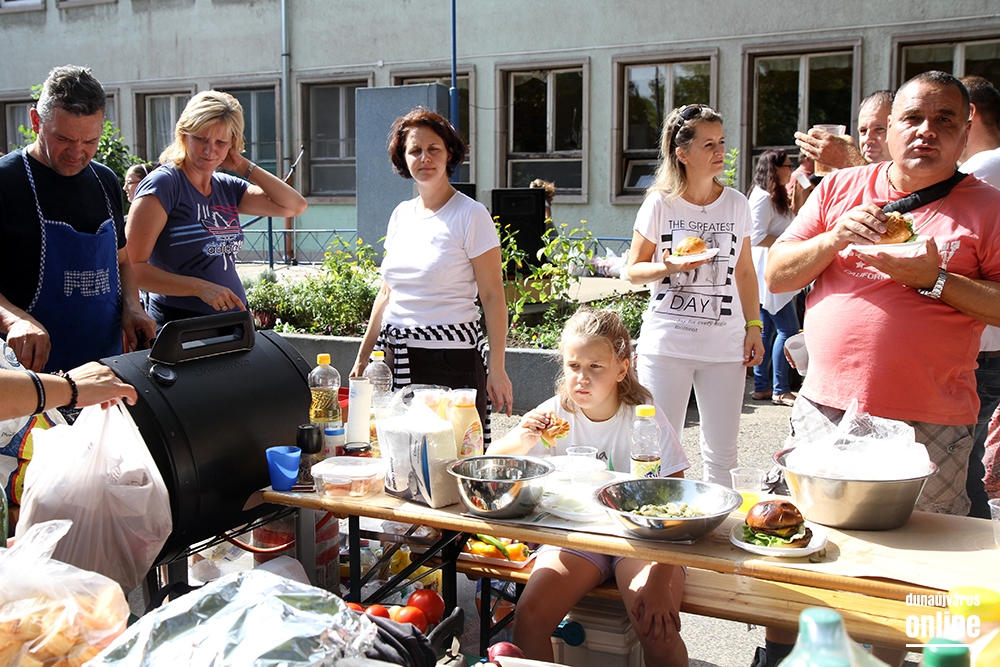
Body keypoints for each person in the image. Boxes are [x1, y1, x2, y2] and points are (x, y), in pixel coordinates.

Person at [764, 71, 1000, 667]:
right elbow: (777, 273)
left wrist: (934, 280)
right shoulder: (841, 188)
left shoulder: (989, 207)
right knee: (807, 550)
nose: (927, 131)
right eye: (913, 118)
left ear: (966, 131)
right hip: (826, 409)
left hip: (932, 420)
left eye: (945, 120)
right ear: (888, 128)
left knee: (911, 569)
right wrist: (833, 239)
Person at [488, 308, 689, 666]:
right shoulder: (554, 414)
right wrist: (522, 438)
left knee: (657, 628)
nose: (582, 378)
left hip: (642, 541)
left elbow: (677, 502)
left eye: (595, 366)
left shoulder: (644, 416)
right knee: (530, 617)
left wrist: (660, 578)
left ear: (622, 369)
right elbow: (492, 464)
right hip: (577, 536)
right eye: (573, 366)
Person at [351, 108, 513, 441]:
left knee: (452, 457)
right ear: (403, 158)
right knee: (398, 457)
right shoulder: (401, 215)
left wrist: (497, 368)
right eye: (415, 150)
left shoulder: (471, 214)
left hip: (451, 359)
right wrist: (362, 358)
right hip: (395, 357)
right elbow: (387, 293)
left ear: (449, 153)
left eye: (433, 148)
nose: (424, 158)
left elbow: (493, 296)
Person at [625, 104, 764, 486]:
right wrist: (668, 267)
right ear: (682, 153)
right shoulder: (660, 202)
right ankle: (656, 516)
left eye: (721, 142)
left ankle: (717, 522)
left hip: (724, 346)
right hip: (667, 345)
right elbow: (633, 270)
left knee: (722, 455)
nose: (720, 151)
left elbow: (745, 271)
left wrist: (754, 326)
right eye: (708, 144)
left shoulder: (736, 203)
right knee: (657, 452)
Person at [0, 65, 156, 374]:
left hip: (105, 369)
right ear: (36, 121)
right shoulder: (6, 182)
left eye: (90, 141)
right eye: (64, 138)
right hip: (31, 378)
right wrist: (14, 320)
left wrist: (132, 306)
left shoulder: (105, 180)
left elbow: (122, 261)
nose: (77, 152)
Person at [125, 91, 307, 327]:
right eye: (201, 139)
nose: (209, 150)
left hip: (234, 322)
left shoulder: (226, 186)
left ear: (233, 144)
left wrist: (242, 165)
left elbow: (294, 205)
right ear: (184, 135)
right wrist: (198, 288)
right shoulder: (164, 184)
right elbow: (131, 268)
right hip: (181, 324)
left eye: (220, 143)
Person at [958, 75, 1000, 519]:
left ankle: (976, 551)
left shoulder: (983, 170)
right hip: (988, 345)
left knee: (964, 469)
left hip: (982, 346)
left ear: (968, 116)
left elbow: (916, 217)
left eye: (943, 117)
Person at [748, 149, 799, 407]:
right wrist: (789, 242)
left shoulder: (773, 195)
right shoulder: (763, 197)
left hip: (772, 267)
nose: (791, 170)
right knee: (788, 330)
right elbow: (756, 237)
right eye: (788, 165)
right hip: (768, 269)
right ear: (774, 168)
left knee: (766, 331)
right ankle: (781, 389)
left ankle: (762, 387)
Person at [793, 90, 894, 171]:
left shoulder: (904, 179)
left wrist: (848, 160)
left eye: (879, 129)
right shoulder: (841, 179)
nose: (868, 139)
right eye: (863, 131)